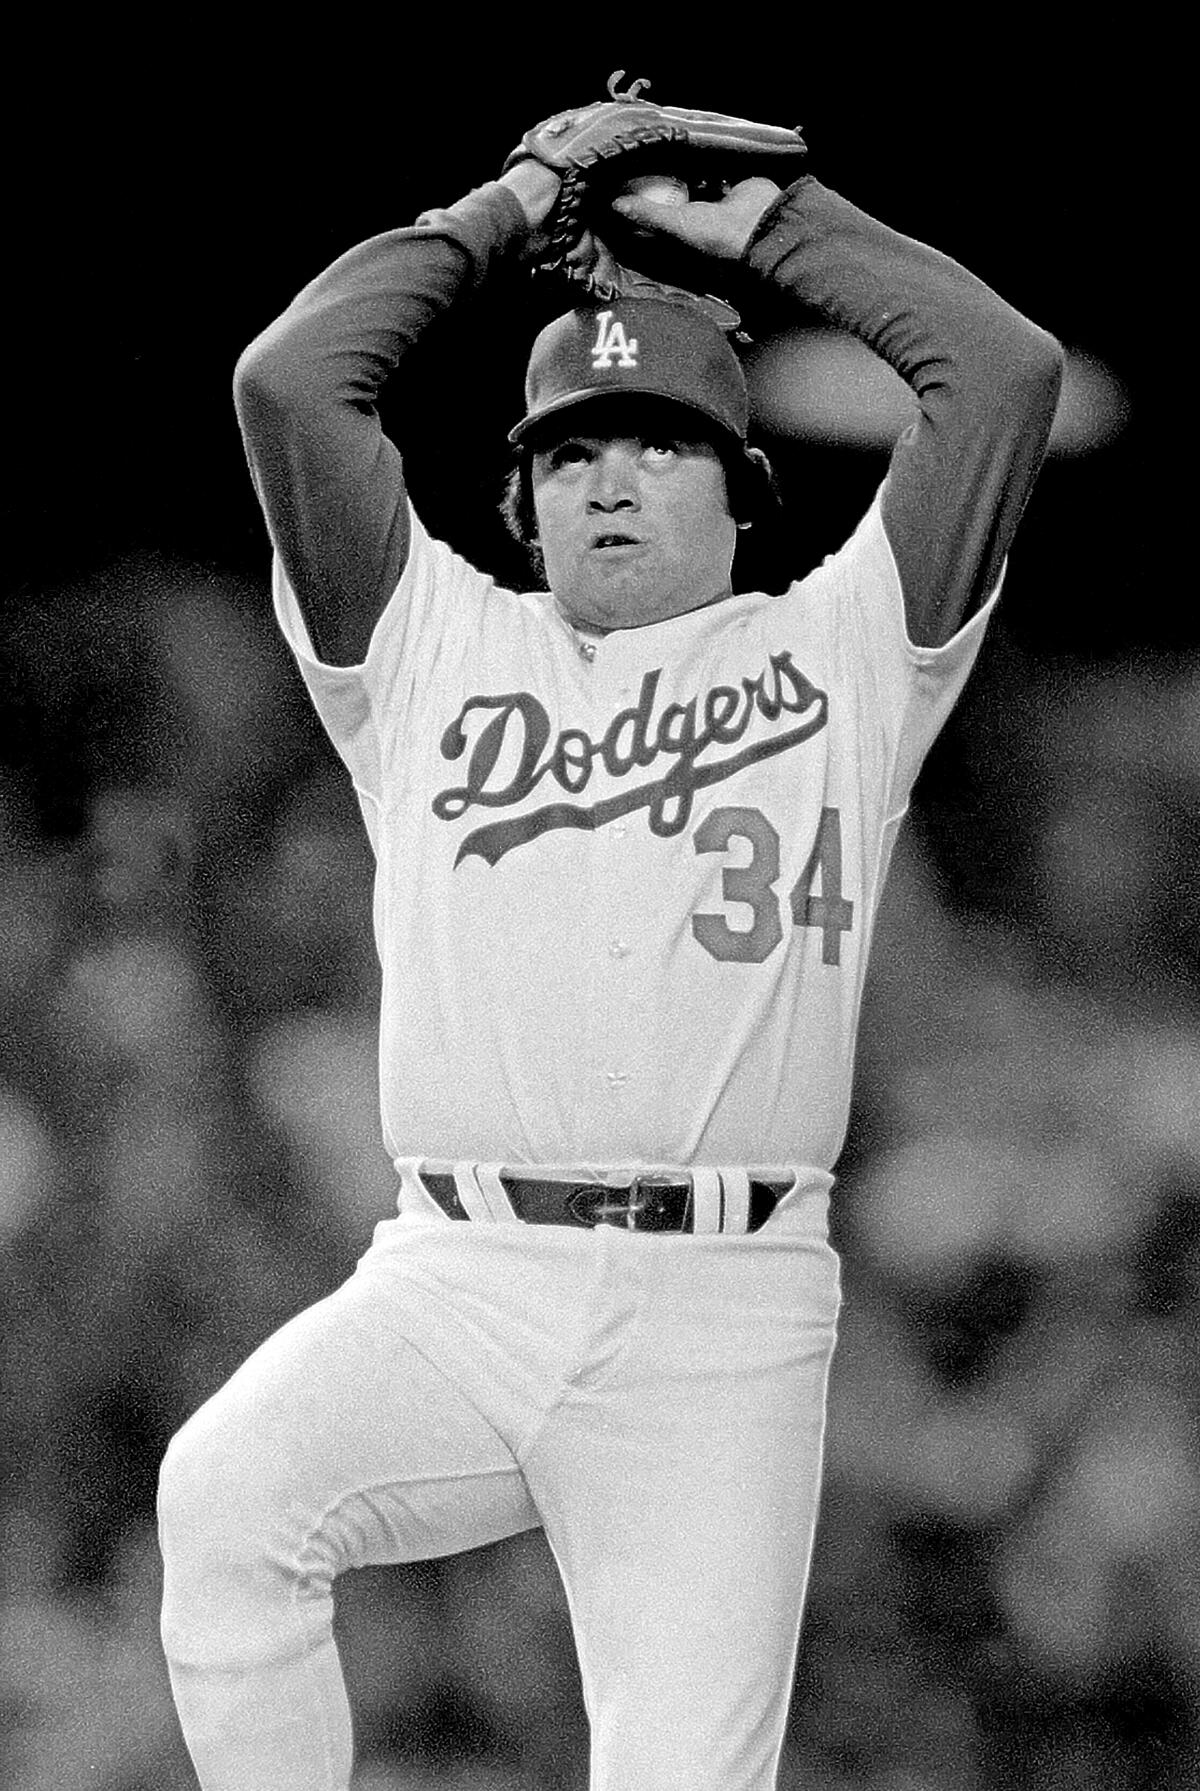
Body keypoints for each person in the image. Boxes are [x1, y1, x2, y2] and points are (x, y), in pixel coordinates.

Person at [155, 104, 1063, 1791]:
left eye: (657, 444)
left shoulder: (858, 647)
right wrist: (504, 205)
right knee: (225, 1499)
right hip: (456, 1277)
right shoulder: (425, 645)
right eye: (573, 453)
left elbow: (996, 375)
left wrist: (770, 229)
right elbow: (291, 383)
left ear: (743, 489)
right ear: (523, 503)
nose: (613, 477)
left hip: (723, 1316)